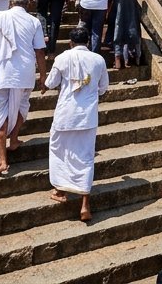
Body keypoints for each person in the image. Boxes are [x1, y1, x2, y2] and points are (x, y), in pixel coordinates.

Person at [0, 0, 46, 177]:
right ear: (27, 4)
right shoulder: (34, 21)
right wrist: (43, 77)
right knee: (22, 105)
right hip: (24, 72)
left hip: (1, 72)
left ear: (10, 3)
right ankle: (13, 139)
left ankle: (2, 161)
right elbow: (40, 51)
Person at [43, 25, 108, 221]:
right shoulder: (99, 60)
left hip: (65, 115)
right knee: (85, 157)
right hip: (87, 117)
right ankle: (85, 206)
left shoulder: (62, 58)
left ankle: (60, 191)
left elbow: (51, 83)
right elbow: (103, 88)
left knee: (59, 152)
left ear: (71, 42)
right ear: (87, 41)